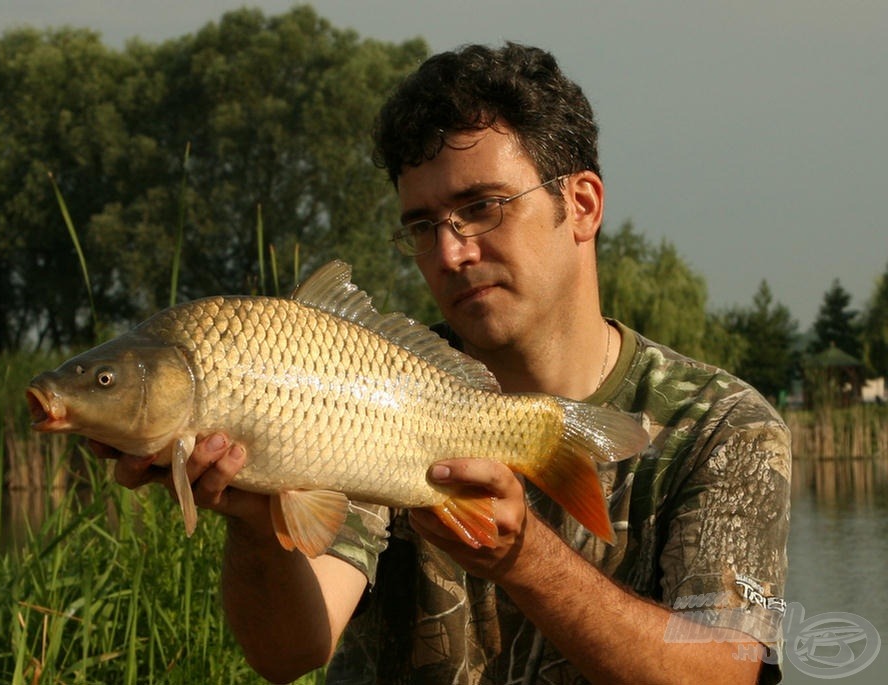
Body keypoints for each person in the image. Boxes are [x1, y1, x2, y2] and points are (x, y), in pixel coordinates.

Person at [100, 43, 791, 684]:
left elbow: (727, 671)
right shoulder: (369, 388)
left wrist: (528, 561)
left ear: (580, 206)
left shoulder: (726, 428)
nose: (451, 252)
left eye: (482, 207)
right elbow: (291, 654)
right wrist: (254, 524)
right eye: (423, 225)